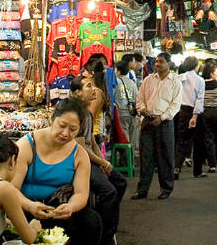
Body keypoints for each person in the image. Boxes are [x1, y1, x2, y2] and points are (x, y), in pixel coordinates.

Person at [12, 98, 103, 245]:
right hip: (26, 210)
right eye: (62, 126)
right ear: (52, 120)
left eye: (73, 129)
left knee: (92, 222)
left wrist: (70, 207)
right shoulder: (27, 145)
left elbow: (81, 193)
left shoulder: (79, 154)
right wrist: (29, 205)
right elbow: (11, 188)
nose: (65, 133)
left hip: (59, 212)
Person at [70, 74, 127, 245]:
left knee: (120, 182)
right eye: (88, 86)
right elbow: (81, 148)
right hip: (80, 162)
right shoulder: (75, 114)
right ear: (77, 93)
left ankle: (103, 220)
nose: (94, 89)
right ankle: (105, 236)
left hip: (91, 159)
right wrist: (102, 163)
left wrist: (104, 162)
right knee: (109, 192)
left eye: (93, 85)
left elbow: (92, 141)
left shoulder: (87, 112)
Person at [132, 52, 182, 200]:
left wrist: (162, 117)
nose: (157, 64)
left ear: (168, 63)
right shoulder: (148, 80)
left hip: (164, 123)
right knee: (146, 157)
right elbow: (139, 98)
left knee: (165, 156)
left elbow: (176, 105)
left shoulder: (175, 82)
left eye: (161, 62)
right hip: (148, 121)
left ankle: (166, 188)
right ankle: (142, 189)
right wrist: (142, 110)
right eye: (156, 62)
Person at [174, 55, 206, 179]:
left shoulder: (178, 78)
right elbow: (199, 99)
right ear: (196, 66)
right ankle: (197, 171)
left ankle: (176, 168)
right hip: (194, 112)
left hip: (181, 111)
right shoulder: (200, 80)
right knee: (198, 142)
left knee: (181, 141)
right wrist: (195, 116)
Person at [201, 59, 217, 172]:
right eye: (216, 72)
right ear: (211, 73)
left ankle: (212, 165)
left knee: (208, 139)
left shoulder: (201, 85)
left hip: (206, 113)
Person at [114, 59, 138, 147]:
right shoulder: (132, 83)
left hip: (120, 114)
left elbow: (111, 97)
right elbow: (137, 98)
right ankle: (130, 159)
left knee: (124, 139)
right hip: (132, 114)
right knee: (132, 141)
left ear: (118, 70)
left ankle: (125, 159)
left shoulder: (115, 81)